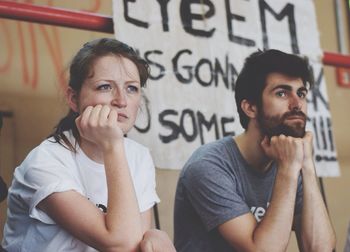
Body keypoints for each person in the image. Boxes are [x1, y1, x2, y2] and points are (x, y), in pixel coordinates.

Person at [2, 38, 175, 252]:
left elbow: (135, 242)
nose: (121, 101)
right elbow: (121, 244)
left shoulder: (138, 155)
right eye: (105, 87)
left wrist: (153, 236)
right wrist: (112, 146)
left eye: (132, 88)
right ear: (74, 99)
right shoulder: (45, 162)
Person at [174, 49, 336, 252]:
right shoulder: (208, 165)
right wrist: (288, 169)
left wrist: (306, 164)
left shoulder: (290, 160)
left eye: (301, 93)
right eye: (282, 93)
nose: (297, 104)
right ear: (250, 108)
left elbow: (320, 249)